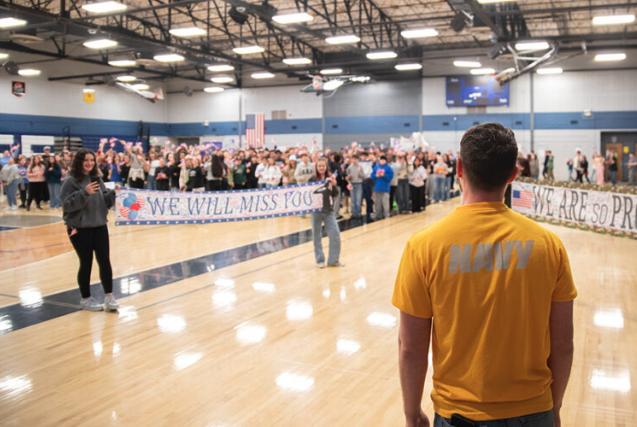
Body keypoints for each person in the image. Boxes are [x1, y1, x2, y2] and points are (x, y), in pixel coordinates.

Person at [392, 123, 576, 427]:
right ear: (513, 173)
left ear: (460, 168)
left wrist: (412, 413)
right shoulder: (548, 245)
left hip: (458, 414)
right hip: (534, 410)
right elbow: (563, 343)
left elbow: (410, 347)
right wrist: (554, 408)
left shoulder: (423, 246)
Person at [60, 149, 119, 312]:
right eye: (86, 160)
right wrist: (83, 193)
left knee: (105, 261)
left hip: (99, 225)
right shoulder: (70, 181)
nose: (89, 163)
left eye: (92, 160)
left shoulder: (97, 179)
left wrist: (114, 194)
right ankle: (85, 299)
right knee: (86, 262)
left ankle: (109, 297)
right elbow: (66, 205)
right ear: (79, 162)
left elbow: (105, 201)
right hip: (79, 228)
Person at [310, 158, 343, 268]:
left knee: (335, 235)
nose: (321, 168)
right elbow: (308, 194)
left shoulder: (330, 179)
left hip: (329, 211)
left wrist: (334, 185)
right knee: (316, 236)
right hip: (316, 211)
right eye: (319, 166)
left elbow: (335, 194)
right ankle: (320, 260)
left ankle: (333, 260)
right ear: (316, 167)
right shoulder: (312, 179)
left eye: (323, 166)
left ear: (326, 167)